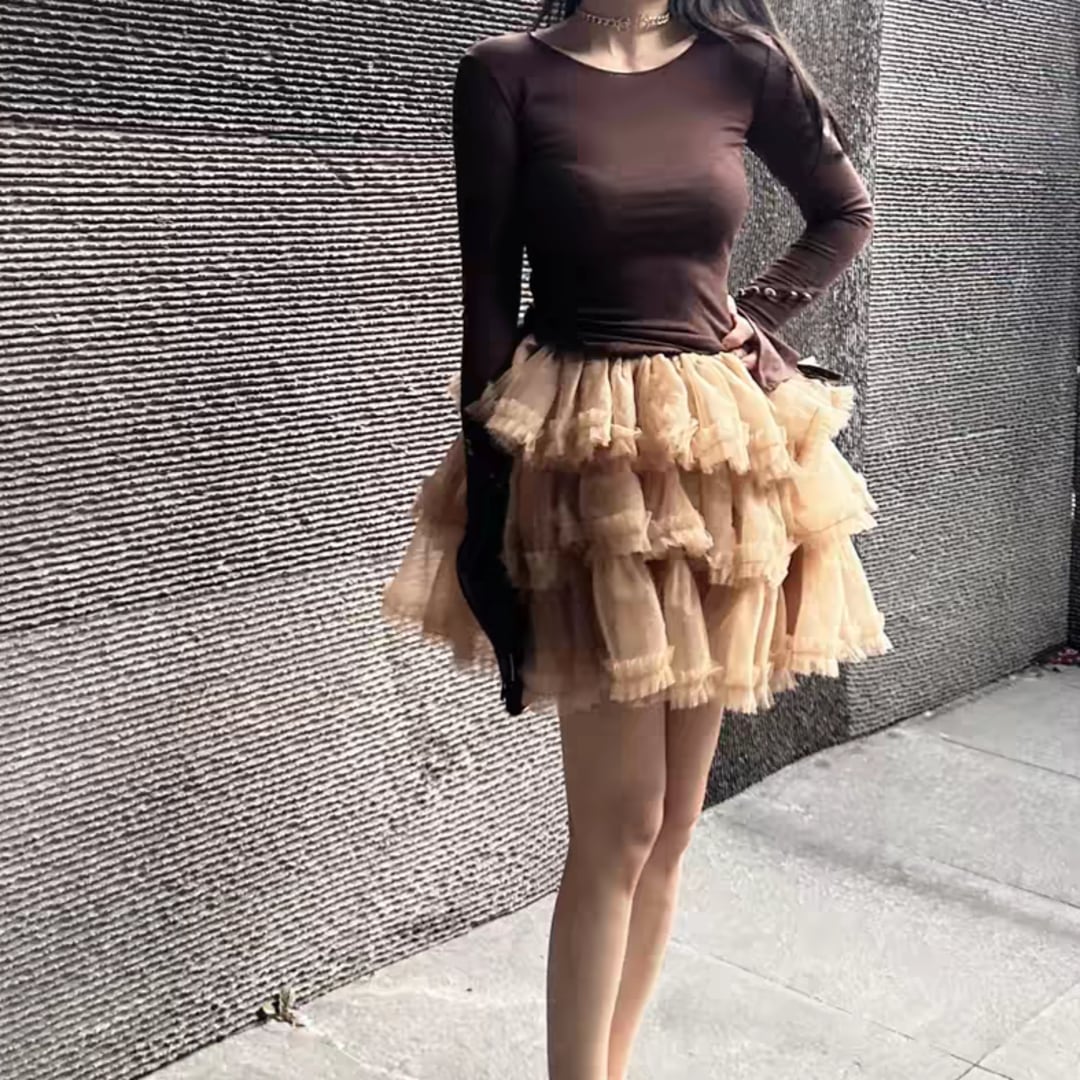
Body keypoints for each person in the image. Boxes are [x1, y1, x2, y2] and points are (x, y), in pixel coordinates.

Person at [382, 2, 893, 1077]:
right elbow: (487, 297)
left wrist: (757, 314)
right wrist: (489, 491)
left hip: (718, 456)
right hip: (586, 461)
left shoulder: (741, 62)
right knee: (617, 826)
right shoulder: (505, 75)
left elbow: (844, 209)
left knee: (670, 825)